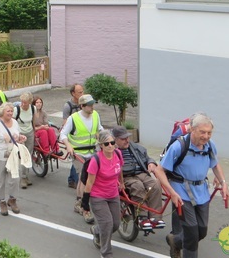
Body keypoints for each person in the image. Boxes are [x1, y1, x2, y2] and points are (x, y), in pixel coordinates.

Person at [154, 112, 229, 258]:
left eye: (209, 133)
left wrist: (224, 183)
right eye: (202, 132)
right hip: (181, 192)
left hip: (201, 192)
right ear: (192, 130)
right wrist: (172, 193)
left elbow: (215, 164)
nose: (206, 136)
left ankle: (175, 240)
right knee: (192, 232)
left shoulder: (209, 145)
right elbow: (159, 171)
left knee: (202, 230)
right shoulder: (178, 146)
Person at [60, 93, 103, 224]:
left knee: (84, 179)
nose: (92, 107)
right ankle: (85, 208)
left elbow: (100, 129)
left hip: (92, 151)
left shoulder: (95, 115)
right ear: (82, 106)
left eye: (93, 104)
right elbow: (62, 134)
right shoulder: (73, 118)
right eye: (89, 105)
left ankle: (79, 201)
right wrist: (68, 146)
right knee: (85, 178)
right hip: (78, 153)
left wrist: (107, 139)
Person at [112, 125, 165, 230]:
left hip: (140, 172)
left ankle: (155, 218)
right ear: (115, 139)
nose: (127, 140)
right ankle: (142, 217)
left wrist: (151, 163)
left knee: (155, 185)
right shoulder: (112, 149)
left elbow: (147, 157)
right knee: (138, 186)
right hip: (125, 176)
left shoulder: (135, 147)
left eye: (127, 137)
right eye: (123, 139)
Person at [82, 130, 124, 258]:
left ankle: (97, 230)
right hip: (98, 196)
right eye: (107, 144)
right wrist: (85, 203)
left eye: (112, 143)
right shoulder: (96, 160)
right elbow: (89, 183)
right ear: (101, 145)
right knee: (107, 223)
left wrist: (121, 182)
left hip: (113, 194)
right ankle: (106, 253)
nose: (110, 146)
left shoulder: (118, 154)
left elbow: (120, 169)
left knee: (115, 224)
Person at [0, 102, 27, 216]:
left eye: (11, 111)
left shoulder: (14, 122)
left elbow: (16, 137)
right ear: (2, 112)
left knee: (14, 178)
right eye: (8, 111)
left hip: (12, 156)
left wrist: (21, 138)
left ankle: (12, 200)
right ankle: (2, 201)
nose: (10, 113)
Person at [63, 83, 84, 188]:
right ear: (73, 93)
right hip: (72, 137)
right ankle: (77, 182)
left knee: (76, 159)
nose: (82, 94)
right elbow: (65, 124)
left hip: (81, 137)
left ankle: (71, 180)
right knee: (77, 158)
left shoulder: (83, 104)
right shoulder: (68, 106)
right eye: (80, 92)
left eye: (82, 91)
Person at [14, 92, 35, 189]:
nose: (22, 104)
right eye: (22, 101)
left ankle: (26, 176)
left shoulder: (33, 108)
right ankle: (23, 177)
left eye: (25, 102)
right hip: (20, 135)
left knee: (29, 155)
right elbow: (12, 123)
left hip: (30, 133)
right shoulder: (16, 110)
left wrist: (35, 133)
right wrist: (17, 135)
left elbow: (33, 122)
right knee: (23, 155)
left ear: (30, 102)